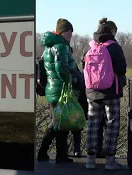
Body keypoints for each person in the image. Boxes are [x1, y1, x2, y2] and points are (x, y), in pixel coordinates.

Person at [37, 18, 85, 163]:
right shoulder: (61, 46)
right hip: (60, 90)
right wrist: (71, 81)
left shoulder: (49, 47)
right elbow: (60, 67)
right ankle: (59, 156)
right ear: (62, 32)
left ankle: (44, 153)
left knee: (57, 122)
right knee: (60, 123)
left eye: (71, 31)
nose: (71, 34)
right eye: (68, 31)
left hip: (52, 89)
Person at [85, 18, 127, 170]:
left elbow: (84, 66)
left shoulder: (91, 46)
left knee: (92, 124)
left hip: (91, 93)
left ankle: (90, 160)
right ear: (112, 31)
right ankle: (110, 161)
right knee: (112, 124)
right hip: (111, 92)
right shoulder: (114, 47)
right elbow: (122, 69)